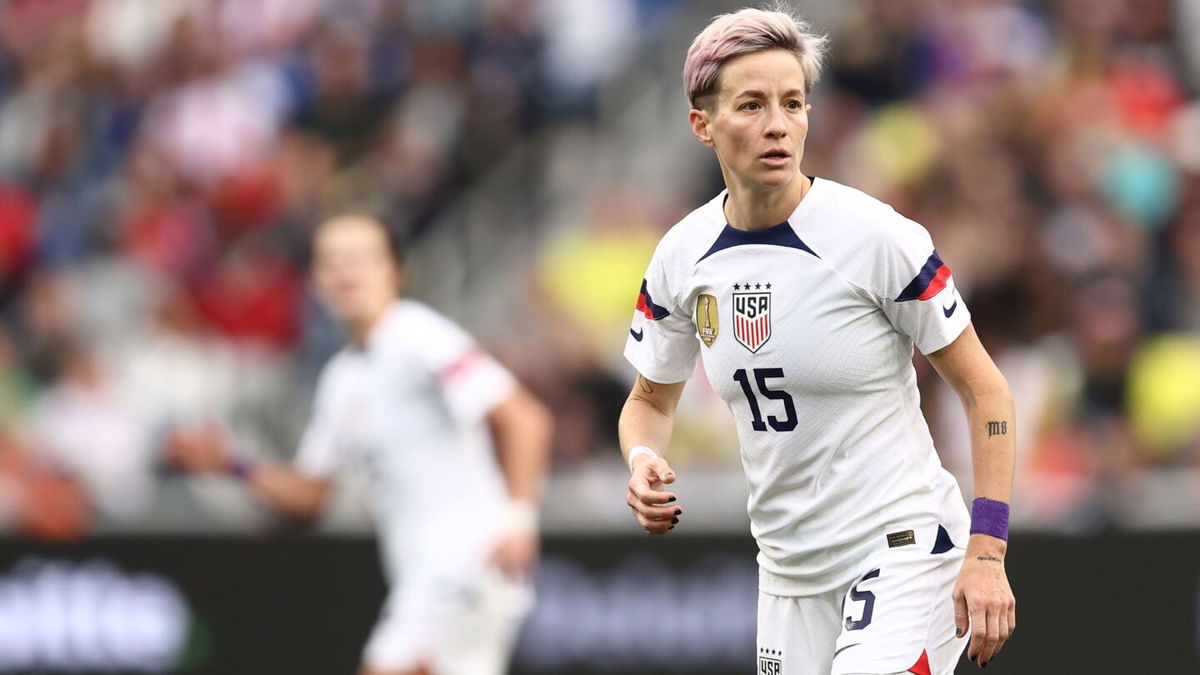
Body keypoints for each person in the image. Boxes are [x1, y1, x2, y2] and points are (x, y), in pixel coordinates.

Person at [618, 7, 1015, 675]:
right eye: (751, 104)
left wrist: (987, 551)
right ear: (702, 124)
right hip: (789, 576)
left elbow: (986, 389)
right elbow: (650, 399)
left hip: (903, 548)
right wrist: (640, 459)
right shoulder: (681, 257)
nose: (778, 123)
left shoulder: (874, 236)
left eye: (793, 102)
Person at [170, 214, 552, 675]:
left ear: (395, 269)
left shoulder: (419, 334)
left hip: (467, 559)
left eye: (361, 259)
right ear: (314, 280)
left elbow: (525, 420)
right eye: (331, 262)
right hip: (430, 573)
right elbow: (311, 495)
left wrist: (518, 521)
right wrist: (232, 465)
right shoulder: (341, 379)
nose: (346, 273)